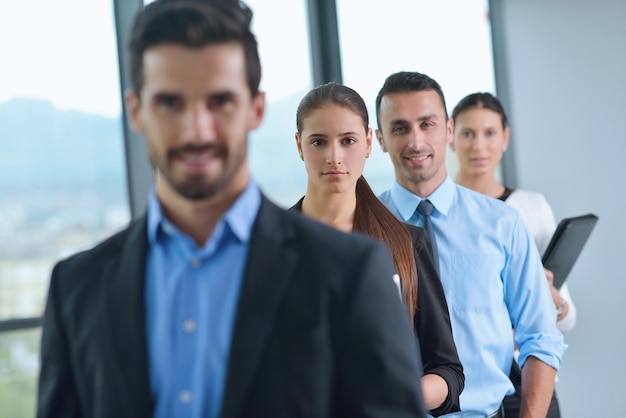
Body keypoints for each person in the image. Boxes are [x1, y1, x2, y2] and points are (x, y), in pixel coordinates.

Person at [36, 2, 428, 417]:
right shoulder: (77, 287)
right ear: (136, 111)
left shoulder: (347, 272)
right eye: (170, 102)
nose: (196, 129)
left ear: (256, 109)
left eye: (220, 101)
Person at [375, 71, 567, 418]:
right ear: (380, 138)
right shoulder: (362, 230)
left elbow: (540, 335)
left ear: (447, 130)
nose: (416, 141)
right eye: (400, 128)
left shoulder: (503, 223)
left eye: (427, 124)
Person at [291, 82, 464, 416]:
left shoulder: (405, 244)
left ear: (369, 142)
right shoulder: (269, 249)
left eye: (348, 141)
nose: (334, 157)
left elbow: (447, 371)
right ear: (299, 145)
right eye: (318, 142)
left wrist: (393, 395)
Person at [450, 92, 576, 417]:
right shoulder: (439, 212)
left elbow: (567, 318)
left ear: (505, 138)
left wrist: (550, 299)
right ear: (450, 136)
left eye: (490, 133)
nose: (479, 146)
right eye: (468, 133)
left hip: (530, 380)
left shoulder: (530, 208)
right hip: (466, 383)